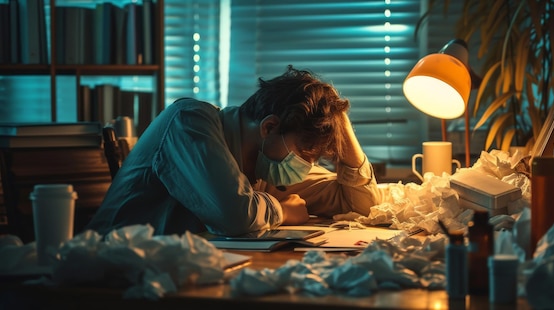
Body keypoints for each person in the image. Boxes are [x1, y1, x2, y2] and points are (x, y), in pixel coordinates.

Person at [85, 65, 382, 237]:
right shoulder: (190, 121)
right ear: (268, 127)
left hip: (179, 275)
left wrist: (341, 126)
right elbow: (236, 215)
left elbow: (361, 207)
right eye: (305, 152)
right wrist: (282, 210)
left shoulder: (267, 162)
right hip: (106, 280)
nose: (308, 164)